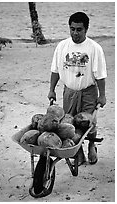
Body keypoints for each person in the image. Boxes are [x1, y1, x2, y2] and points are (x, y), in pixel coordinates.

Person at [48, 12, 107, 165]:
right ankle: (77, 151)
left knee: (89, 123)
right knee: (69, 123)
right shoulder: (62, 46)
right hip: (69, 92)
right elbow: (55, 70)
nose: (75, 33)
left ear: (86, 29)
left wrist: (102, 95)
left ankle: (92, 145)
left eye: (79, 29)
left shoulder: (94, 48)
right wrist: (51, 89)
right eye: (72, 29)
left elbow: (100, 75)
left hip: (88, 91)